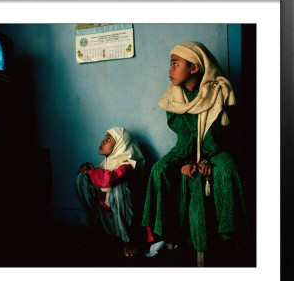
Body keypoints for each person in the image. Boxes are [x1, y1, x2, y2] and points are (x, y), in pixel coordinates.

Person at [141, 41, 248, 267]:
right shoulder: (174, 96)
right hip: (185, 149)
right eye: (170, 65)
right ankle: (168, 234)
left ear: (194, 68)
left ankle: (229, 237)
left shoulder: (217, 91)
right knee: (160, 170)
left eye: (175, 64)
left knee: (227, 171)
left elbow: (218, 134)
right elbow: (184, 137)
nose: (169, 70)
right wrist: (189, 160)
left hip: (215, 148)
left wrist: (205, 160)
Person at [76, 127, 145, 258]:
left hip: (129, 224)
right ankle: (94, 233)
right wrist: (87, 170)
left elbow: (109, 178)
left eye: (108, 139)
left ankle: (127, 241)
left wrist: (92, 172)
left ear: (121, 145)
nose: (103, 141)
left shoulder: (129, 164)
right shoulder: (105, 164)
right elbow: (98, 176)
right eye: (104, 137)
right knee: (82, 178)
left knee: (120, 187)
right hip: (107, 221)